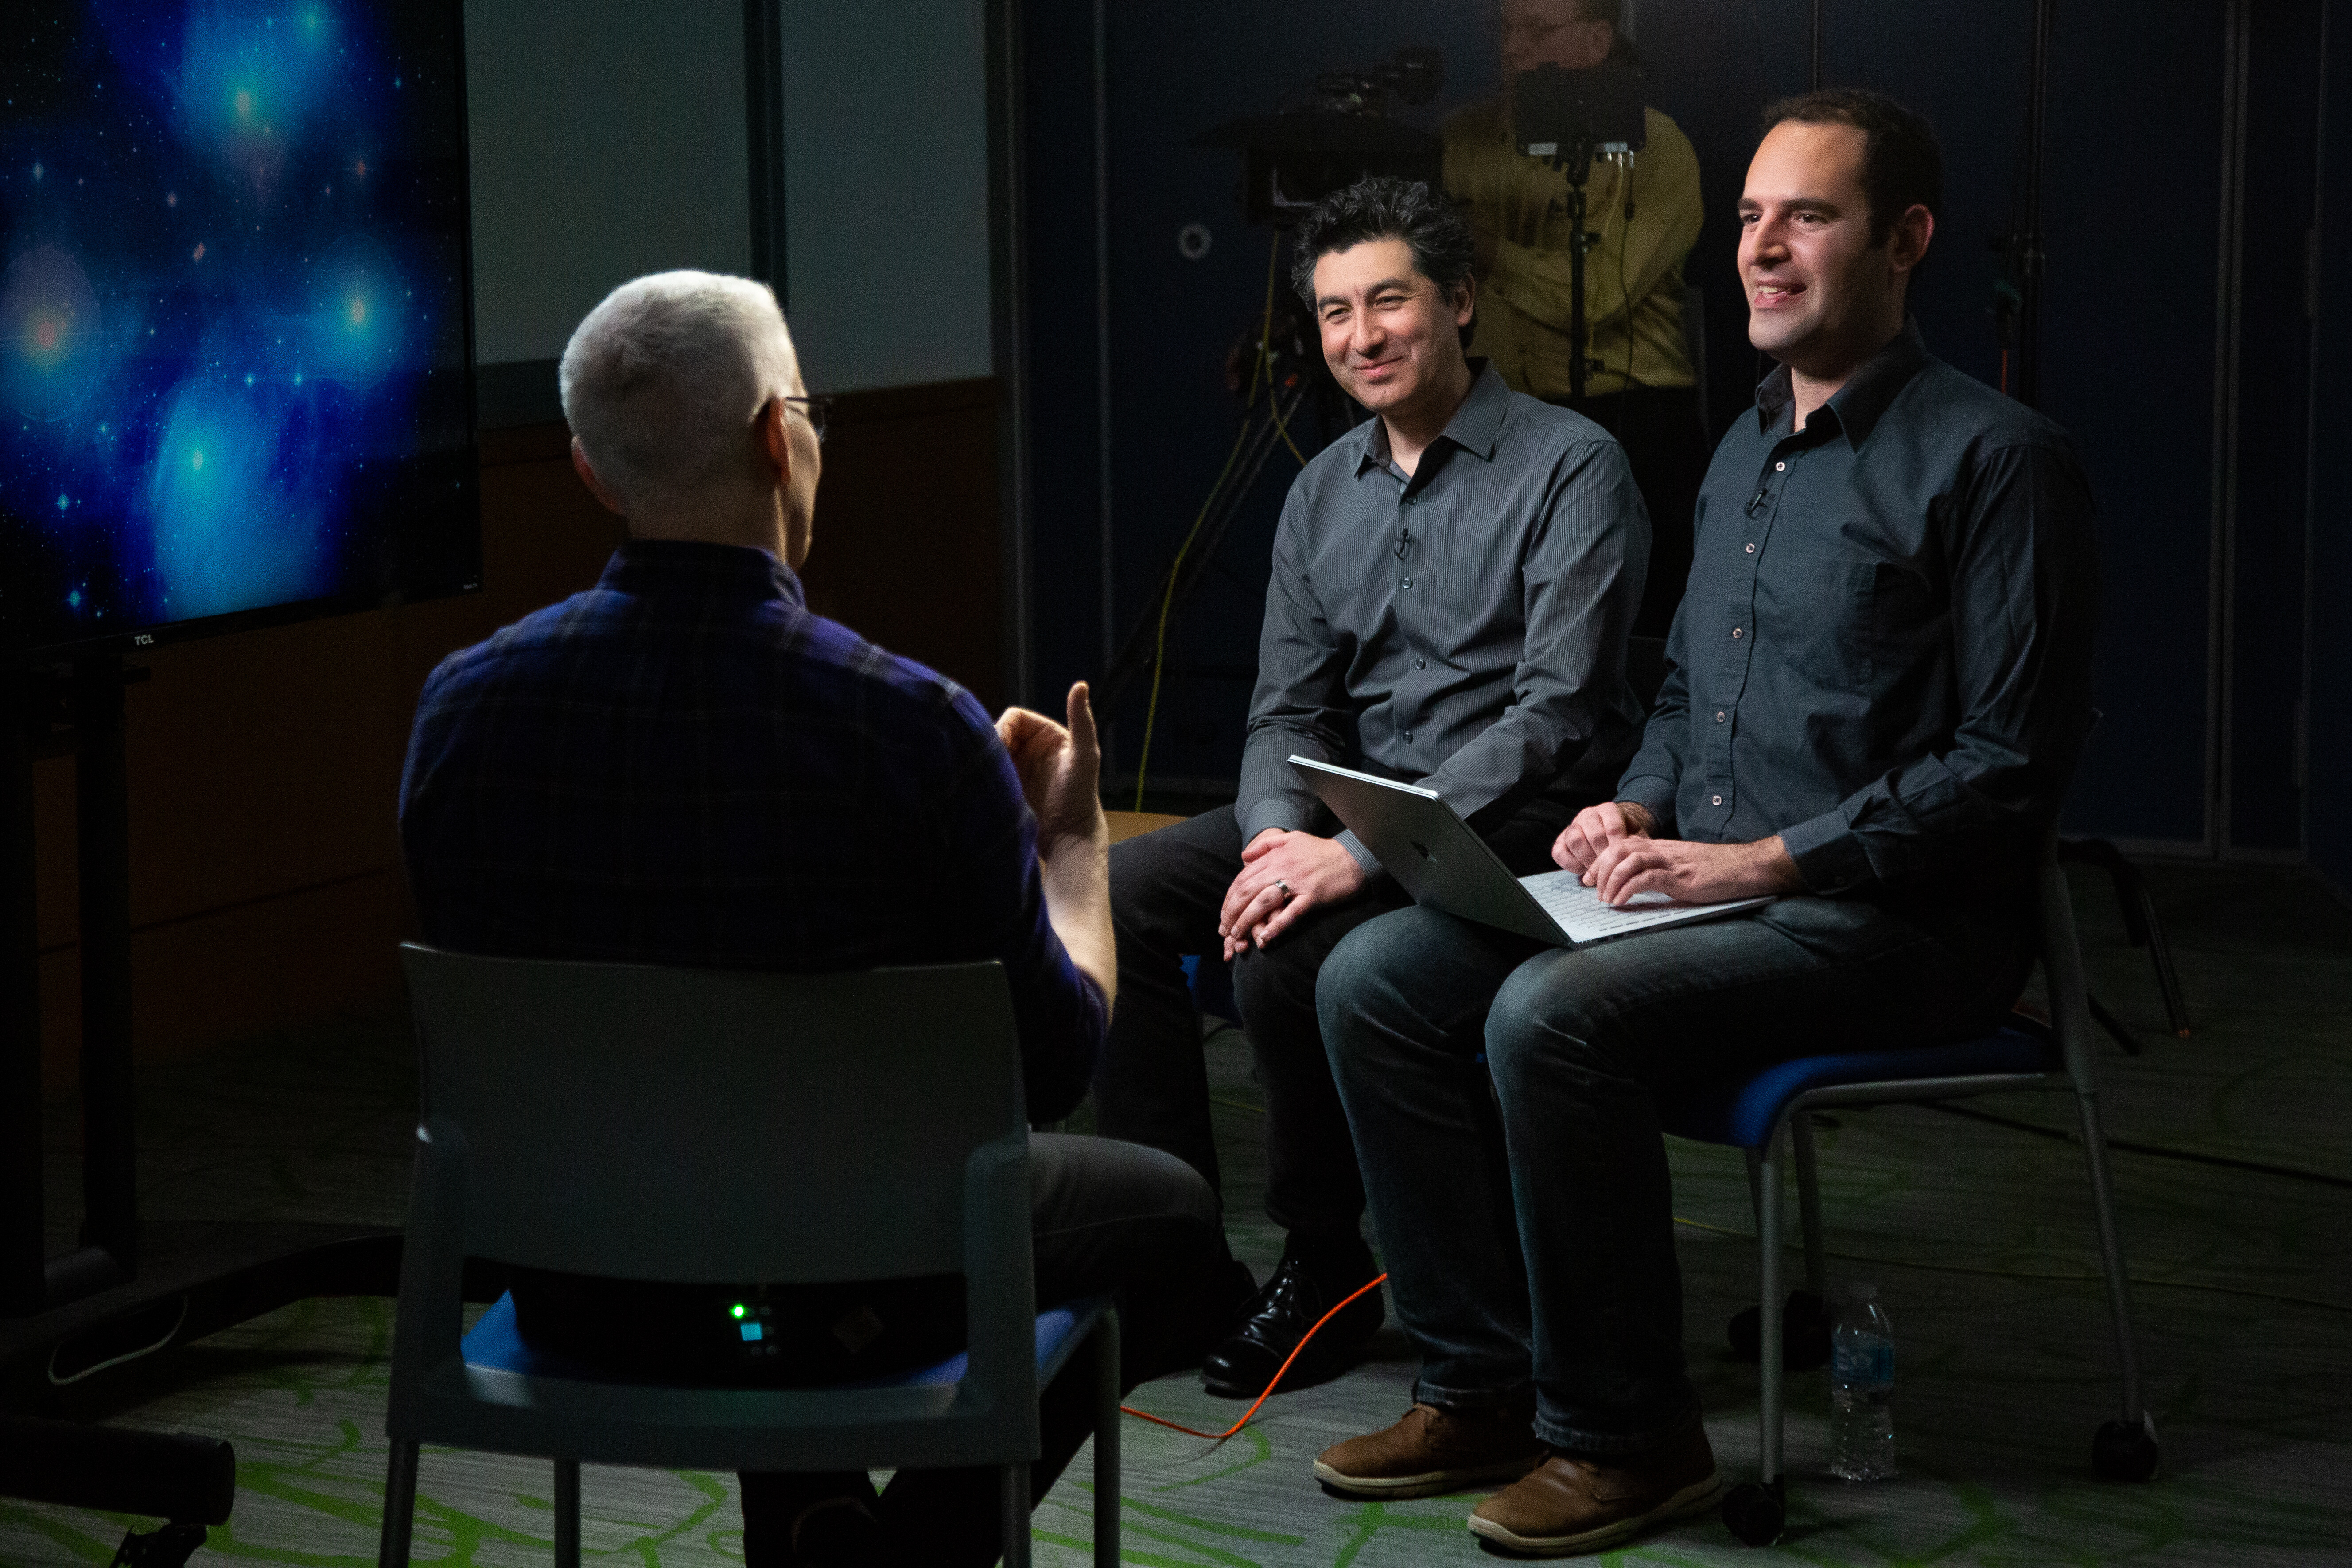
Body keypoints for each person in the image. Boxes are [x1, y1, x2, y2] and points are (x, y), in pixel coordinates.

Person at [1314, 90, 2100, 1557]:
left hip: (1903, 928)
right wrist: (1642, 797)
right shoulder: (1741, 449)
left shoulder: (1999, 458)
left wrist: (1761, 858)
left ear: (1908, 239)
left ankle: (1630, 1438)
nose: (1763, 247)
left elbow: (2007, 766)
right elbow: (1681, 690)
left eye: (1809, 216)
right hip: (1725, 897)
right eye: (1748, 216)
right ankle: (1480, 1380)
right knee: (1381, 980)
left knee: (1550, 1016)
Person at [398, 271, 1228, 1568]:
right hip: (866, 1295)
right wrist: (1068, 846)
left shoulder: (458, 712)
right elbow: (1055, 1066)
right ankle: (915, 1552)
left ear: (588, 470)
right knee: (1174, 1228)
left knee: (724, 1159)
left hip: (573, 1284)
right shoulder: (908, 728)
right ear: (778, 436)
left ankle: (810, 1517)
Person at [1096, 178, 1651, 1401]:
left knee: (1289, 952)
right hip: (1349, 810)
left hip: (1513, 831)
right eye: (1334, 313)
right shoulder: (1318, 487)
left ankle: (1324, 1261)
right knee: (1120, 889)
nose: (1359, 337)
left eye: (1387, 301)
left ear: (1457, 301)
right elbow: (1284, 711)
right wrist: (1267, 843)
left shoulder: (1572, 467)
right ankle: (1169, 1265)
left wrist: (1345, 860)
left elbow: (1555, 713)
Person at [1444, 0, 1710, 638]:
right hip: (1494, 423)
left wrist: (1490, 251)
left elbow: (1594, 300)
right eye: (1507, 30)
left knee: (1633, 639)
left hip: (1632, 422)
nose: (1514, 49)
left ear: (1596, 41)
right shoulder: (1461, 140)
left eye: (1536, 31)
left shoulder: (1656, 148)